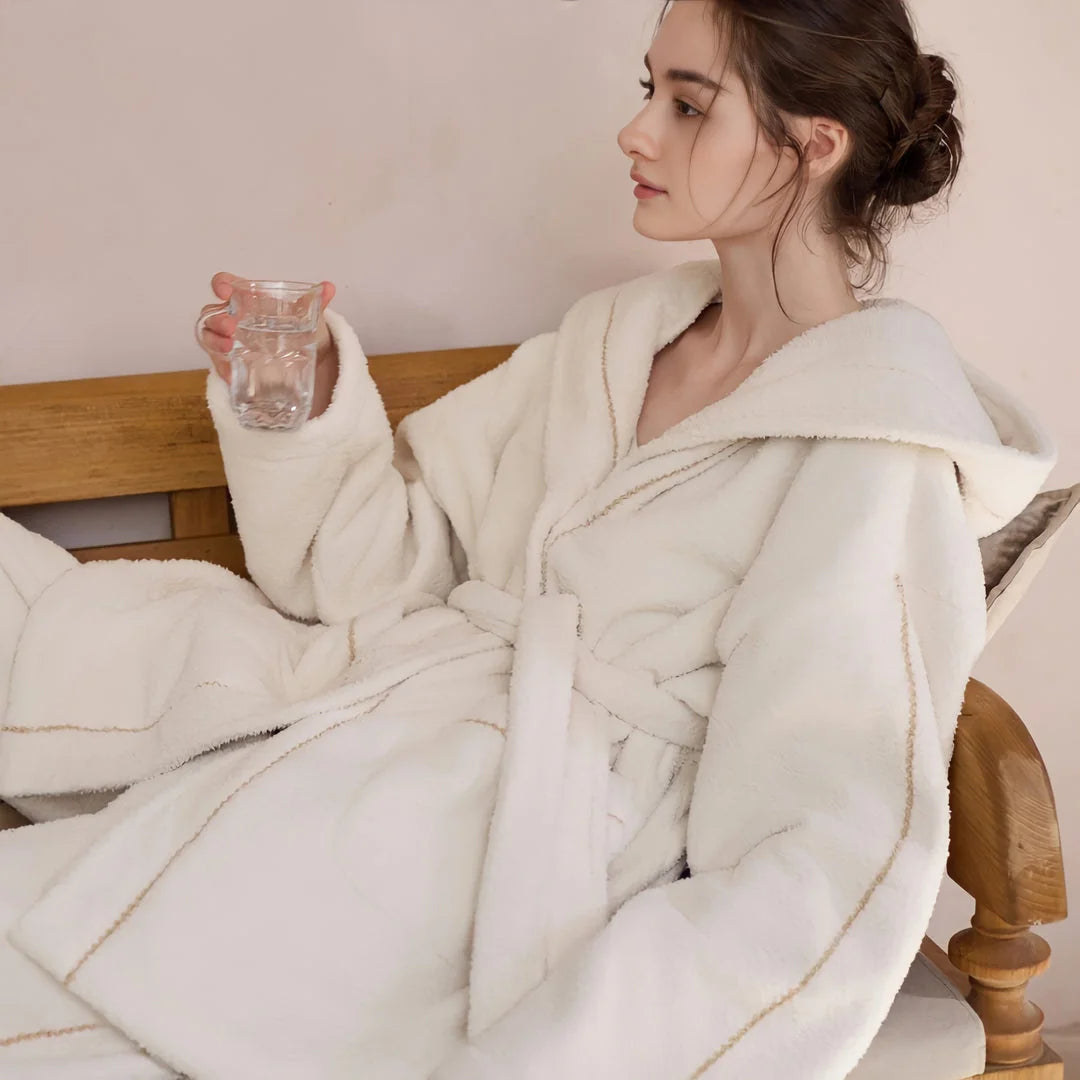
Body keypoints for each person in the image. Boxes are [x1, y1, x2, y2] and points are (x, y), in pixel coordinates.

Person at [0, 1, 1057, 1077]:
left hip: (519, 847)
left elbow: (822, 844)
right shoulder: (612, 343)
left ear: (811, 146)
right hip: (401, 745)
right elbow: (381, 571)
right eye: (650, 90)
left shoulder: (871, 451)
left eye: (689, 105)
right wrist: (307, 399)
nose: (637, 132)